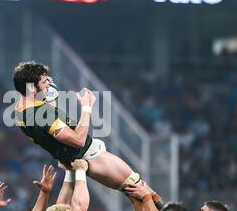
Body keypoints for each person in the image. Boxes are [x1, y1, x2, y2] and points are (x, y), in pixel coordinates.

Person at [13, 61, 141, 193]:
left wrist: (47, 90)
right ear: (31, 88)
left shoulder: (20, 111)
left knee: (137, 193)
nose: (49, 83)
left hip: (72, 158)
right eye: (44, 81)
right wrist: (87, 107)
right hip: (89, 155)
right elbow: (79, 140)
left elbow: (49, 121)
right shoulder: (42, 114)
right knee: (138, 189)